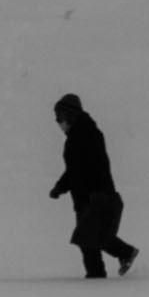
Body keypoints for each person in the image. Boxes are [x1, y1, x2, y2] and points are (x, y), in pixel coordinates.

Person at [49, 93, 138, 277]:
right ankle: (97, 276)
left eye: (60, 117)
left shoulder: (83, 135)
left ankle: (123, 255)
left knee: (90, 237)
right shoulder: (83, 134)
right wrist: (61, 187)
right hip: (88, 196)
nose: (58, 122)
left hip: (95, 196)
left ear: (70, 115)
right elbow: (76, 169)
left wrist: (60, 187)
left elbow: (79, 169)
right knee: (88, 240)